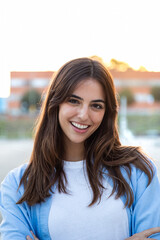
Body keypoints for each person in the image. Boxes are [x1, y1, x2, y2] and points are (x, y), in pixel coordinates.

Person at [0, 57, 160, 240]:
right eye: (74, 101)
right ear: (56, 103)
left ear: (106, 113)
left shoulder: (138, 171)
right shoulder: (18, 185)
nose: (84, 115)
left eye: (96, 106)